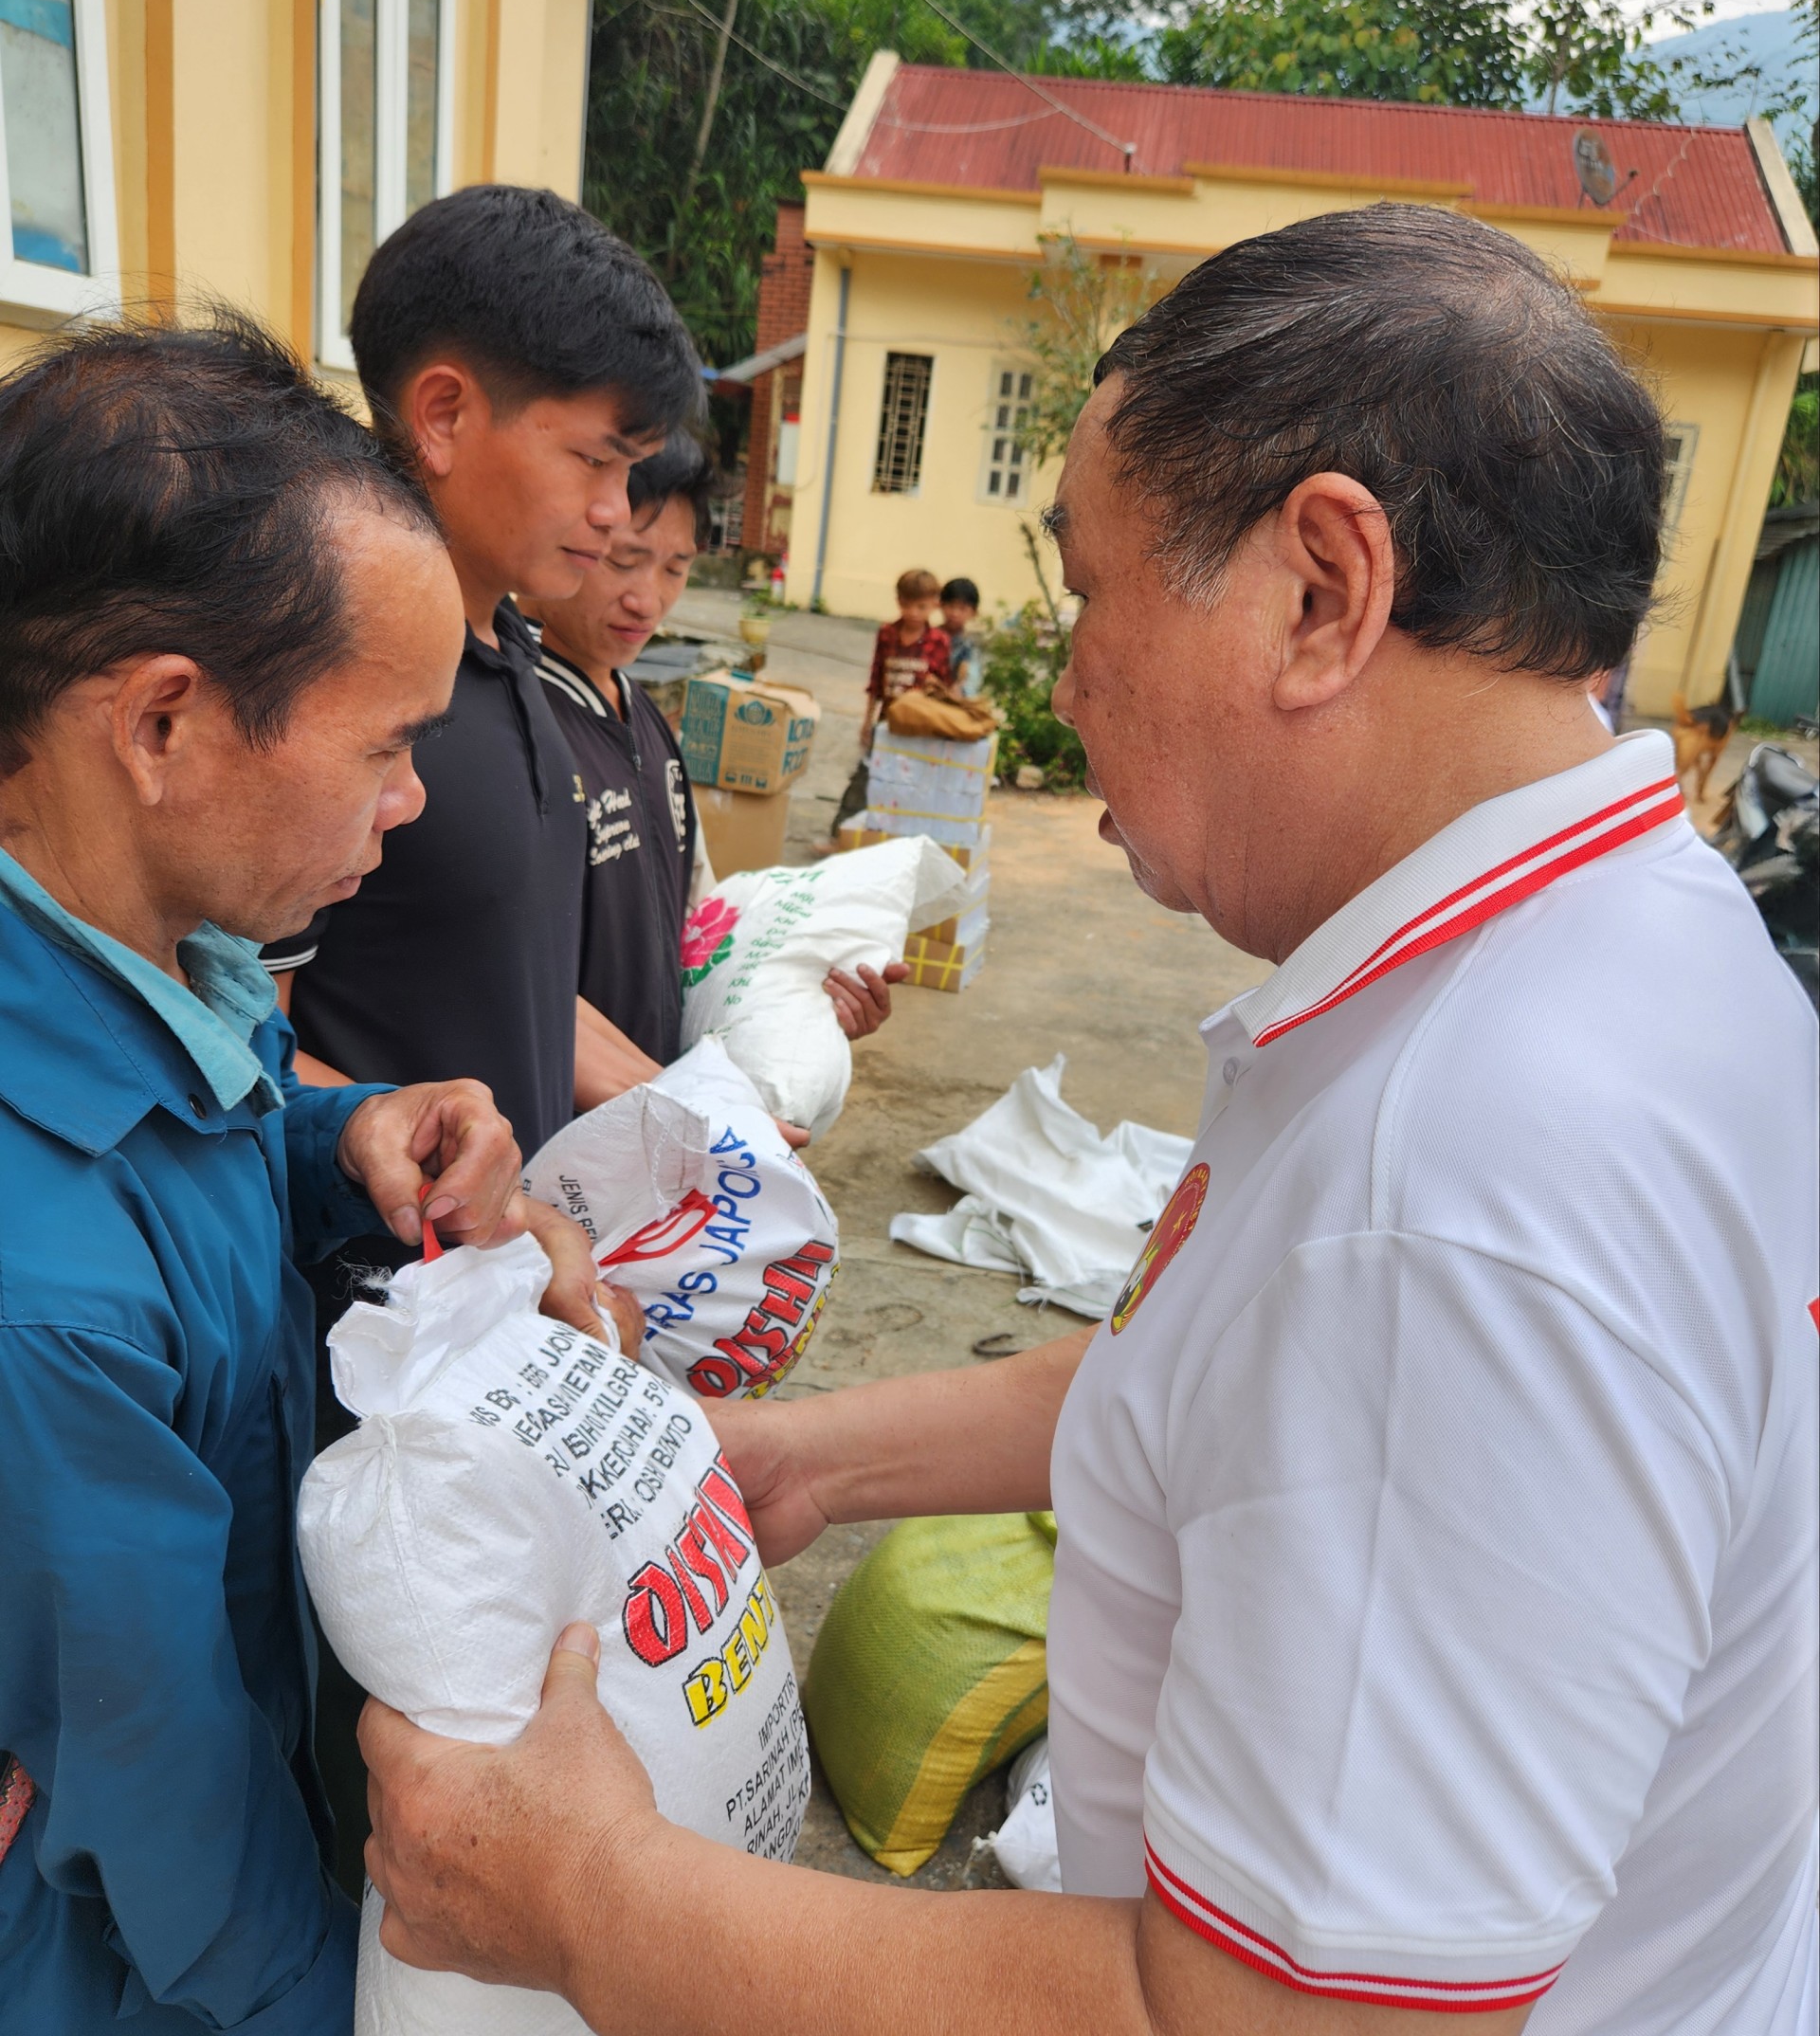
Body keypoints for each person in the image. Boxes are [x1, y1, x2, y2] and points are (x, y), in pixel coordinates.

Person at [360, 205, 1816, 2035]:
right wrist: (806, 1456)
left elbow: (1276, 2021)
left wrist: (588, 1894)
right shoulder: (1630, 941)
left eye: (1097, 592)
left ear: (1322, 592)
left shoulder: (1462, 1177)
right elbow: (1255, 1380)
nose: (1069, 674)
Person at [0, 315, 606, 2033]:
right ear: (166, 725)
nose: (412, 799)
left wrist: (343, 1133)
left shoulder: (153, 964)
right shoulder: (41, 1293)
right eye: (385, 744)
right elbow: (161, 1803)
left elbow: (187, 1130)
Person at [263, 182, 701, 1168]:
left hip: (512, 1281)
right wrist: (435, 1159)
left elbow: (514, 980)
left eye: (632, 471)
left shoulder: (517, 660)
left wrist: (691, 1113)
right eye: (593, 460)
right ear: (446, 415)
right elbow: (238, 1053)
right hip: (384, 1297)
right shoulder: (334, 692)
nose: (616, 512)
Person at [519, 430, 900, 1109]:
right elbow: (499, 975)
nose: (648, 599)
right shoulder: (518, 721)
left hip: (659, 1107)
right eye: (626, 560)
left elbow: (702, 924)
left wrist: (799, 995)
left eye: (675, 568)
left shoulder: (647, 720)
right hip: (558, 1123)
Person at [858, 567, 951, 750]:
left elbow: (944, 688)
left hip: (922, 726)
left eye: (921, 607)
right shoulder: (887, 634)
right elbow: (876, 681)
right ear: (898, 601)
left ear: (935, 604)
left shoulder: (939, 641)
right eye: (906, 605)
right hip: (888, 721)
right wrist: (867, 721)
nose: (913, 612)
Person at [940, 576, 984, 698]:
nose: (955, 613)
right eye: (951, 606)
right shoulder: (930, 637)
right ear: (940, 605)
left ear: (974, 613)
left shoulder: (969, 646)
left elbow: (971, 681)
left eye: (962, 608)